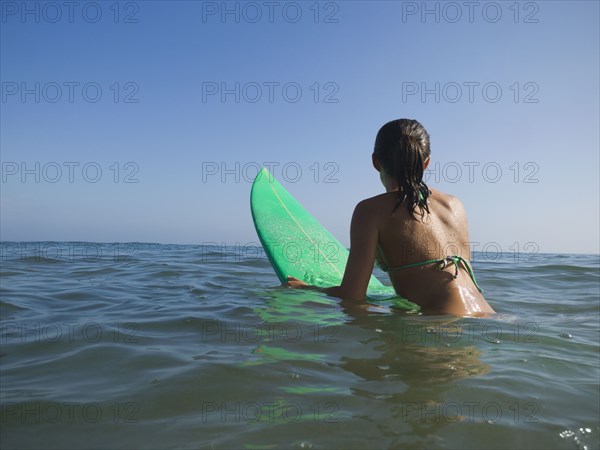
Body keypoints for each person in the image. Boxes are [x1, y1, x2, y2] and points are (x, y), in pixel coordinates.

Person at [286, 118, 495, 316]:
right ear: (426, 162)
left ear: (376, 162)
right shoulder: (454, 205)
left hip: (443, 322)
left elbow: (352, 297)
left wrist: (308, 289)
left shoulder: (370, 212)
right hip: (487, 315)